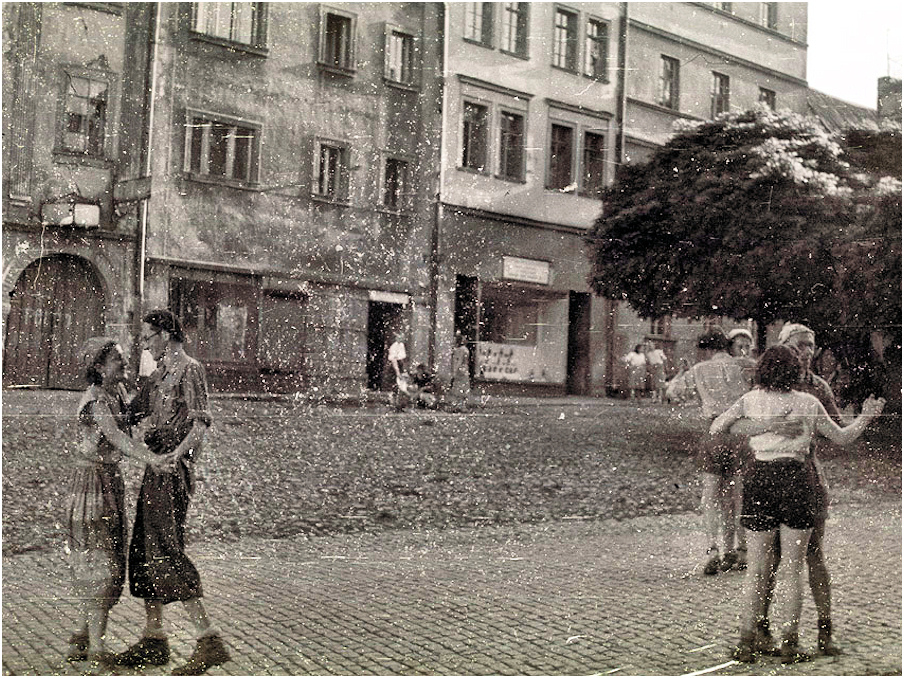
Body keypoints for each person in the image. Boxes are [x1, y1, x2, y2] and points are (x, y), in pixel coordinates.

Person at [711, 345, 884, 664]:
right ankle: (790, 643)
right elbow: (843, 437)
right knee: (793, 568)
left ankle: (746, 641)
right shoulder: (808, 402)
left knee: (758, 570)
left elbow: (717, 426)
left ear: (762, 369)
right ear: (795, 371)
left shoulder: (750, 400)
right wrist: (866, 416)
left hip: (759, 477)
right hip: (797, 479)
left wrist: (763, 426)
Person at [114, 310, 231, 675]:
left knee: (165, 546)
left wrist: (175, 456)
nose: (145, 344)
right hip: (157, 468)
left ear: (166, 334)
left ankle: (207, 638)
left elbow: (199, 425)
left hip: (173, 470)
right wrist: (110, 386)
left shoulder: (190, 369)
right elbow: (129, 414)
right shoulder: (156, 375)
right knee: (145, 545)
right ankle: (154, 637)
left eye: (148, 337)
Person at [732, 323, 847, 657]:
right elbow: (741, 425)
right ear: (783, 347)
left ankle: (825, 633)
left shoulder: (818, 388)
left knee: (813, 557)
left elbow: (835, 431)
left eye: (811, 345)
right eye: (799, 345)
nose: (806, 351)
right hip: (768, 475)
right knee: (768, 562)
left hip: (806, 476)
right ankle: (762, 631)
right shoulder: (760, 384)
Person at [66, 337, 169, 669]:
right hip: (92, 487)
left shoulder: (116, 394)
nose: (125, 366)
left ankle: (80, 640)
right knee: (99, 564)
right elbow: (117, 437)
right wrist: (151, 458)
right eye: (119, 362)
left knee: (103, 559)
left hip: (107, 484)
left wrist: (155, 385)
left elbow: (134, 414)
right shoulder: (97, 401)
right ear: (99, 367)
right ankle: (97, 654)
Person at [668, 329, 755, 575]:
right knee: (738, 496)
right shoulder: (744, 365)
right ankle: (741, 549)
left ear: (704, 349)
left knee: (711, 496)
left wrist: (683, 372)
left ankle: (712, 548)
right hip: (740, 432)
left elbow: (673, 393)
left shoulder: (699, 369)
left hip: (713, 433)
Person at [448, 331, 472, 412]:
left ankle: (458, 406)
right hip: (464, 370)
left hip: (460, 370)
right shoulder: (465, 349)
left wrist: (454, 372)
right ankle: (461, 406)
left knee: (458, 388)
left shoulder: (460, 350)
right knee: (463, 388)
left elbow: (458, 361)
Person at [388, 332, 408, 410]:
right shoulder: (394, 346)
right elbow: (394, 360)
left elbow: (402, 359)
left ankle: (400, 405)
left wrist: (404, 371)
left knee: (402, 387)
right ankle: (393, 405)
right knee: (395, 387)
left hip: (401, 367)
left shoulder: (401, 345)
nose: (401, 339)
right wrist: (398, 372)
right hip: (395, 368)